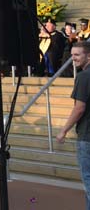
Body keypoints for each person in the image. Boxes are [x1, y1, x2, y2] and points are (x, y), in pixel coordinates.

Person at [57, 41, 90, 209]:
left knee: (89, 181)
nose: (73, 58)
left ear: (88, 55)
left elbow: (79, 108)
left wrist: (64, 130)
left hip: (87, 136)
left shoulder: (84, 77)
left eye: (77, 55)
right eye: (72, 55)